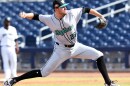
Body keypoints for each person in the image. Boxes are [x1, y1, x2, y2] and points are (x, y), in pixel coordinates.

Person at [4, 0, 119, 86]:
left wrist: (101, 16)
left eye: (65, 6)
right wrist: (25, 15)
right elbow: (35, 16)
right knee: (43, 73)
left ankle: (108, 83)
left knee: (99, 55)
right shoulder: (49, 19)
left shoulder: (72, 13)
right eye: (63, 7)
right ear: (56, 8)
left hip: (76, 47)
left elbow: (87, 9)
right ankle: (15, 80)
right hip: (61, 50)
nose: (65, 8)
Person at [0, 17, 19, 81]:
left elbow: (16, 39)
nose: (7, 23)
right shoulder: (1, 30)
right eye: (6, 21)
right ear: (4, 22)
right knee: (6, 62)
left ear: (10, 22)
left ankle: (14, 75)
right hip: (4, 47)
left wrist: (17, 46)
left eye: (8, 21)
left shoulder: (13, 29)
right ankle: (7, 76)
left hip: (12, 47)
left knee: (14, 61)